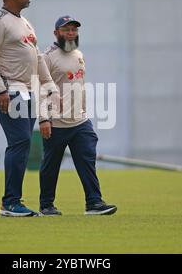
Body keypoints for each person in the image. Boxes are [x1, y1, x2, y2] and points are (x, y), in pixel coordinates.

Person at [0, 0, 57, 217]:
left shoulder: (24, 22)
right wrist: (0, 89)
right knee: (20, 142)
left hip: (26, 90)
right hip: (8, 89)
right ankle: (11, 202)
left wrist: (49, 85)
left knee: (22, 144)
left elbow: (37, 56)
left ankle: (13, 201)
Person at [39, 16, 117, 216]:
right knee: (51, 165)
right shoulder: (46, 57)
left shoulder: (78, 54)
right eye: (66, 30)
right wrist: (43, 119)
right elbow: (39, 88)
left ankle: (94, 203)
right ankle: (46, 205)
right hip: (56, 122)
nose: (71, 33)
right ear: (56, 33)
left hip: (80, 121)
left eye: (74, 30)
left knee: (87, 160)